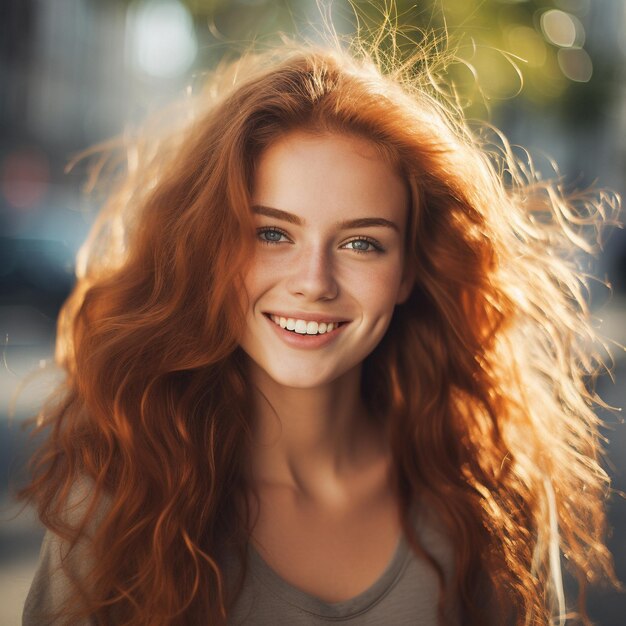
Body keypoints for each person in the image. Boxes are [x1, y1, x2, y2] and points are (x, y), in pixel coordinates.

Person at [17, 28, 620, 626]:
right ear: (212, 248)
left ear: (409, 269)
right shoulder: (121, 497)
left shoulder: (486, 501)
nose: (314, 281)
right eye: (273, 233)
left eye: (362, 243)